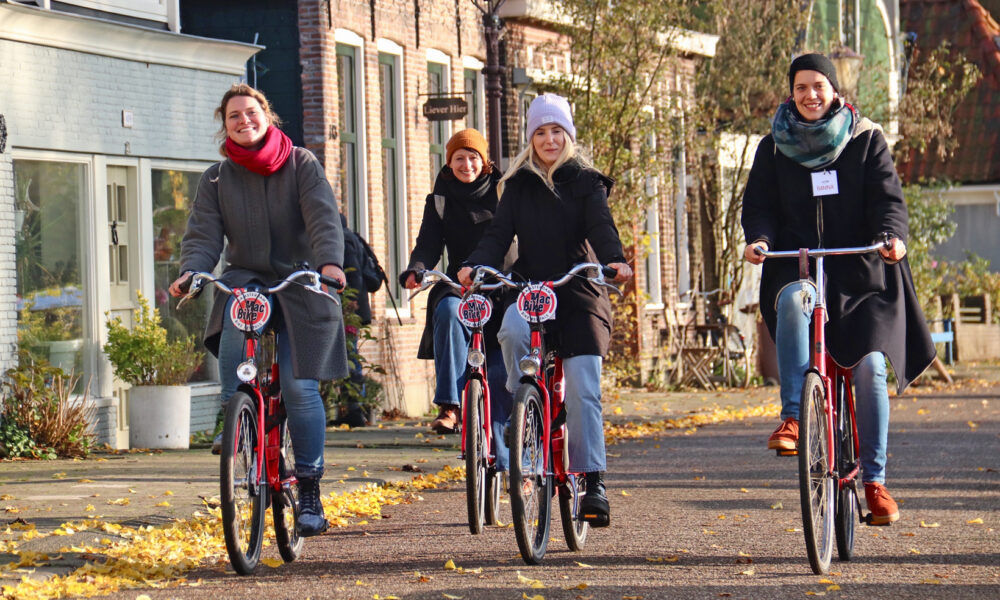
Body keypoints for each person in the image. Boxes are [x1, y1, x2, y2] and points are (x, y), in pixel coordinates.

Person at [741, 53, 935, 525]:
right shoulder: (772, 147)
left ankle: (874, 481)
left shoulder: (865, 139)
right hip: (799, 266)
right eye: (802, 87)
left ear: (834, 91)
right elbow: (759, 204)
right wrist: (760, 239)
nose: (810, 95)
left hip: (859, 275)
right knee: (791, 300)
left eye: (819, 86)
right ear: (792, 93)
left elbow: (888, 199)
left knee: (869, 369)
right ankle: (792, 414)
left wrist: (892, 238)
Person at [168, 83, 349, 537]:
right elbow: (203, 234)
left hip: (301, 280)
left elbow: (323, 217)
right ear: (224, 124)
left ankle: (308, 487)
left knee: (298, 386)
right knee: (234, 313)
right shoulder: (215, 178)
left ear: (267, 116)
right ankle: (236, 412)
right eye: (234, 116)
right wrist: (192, 271)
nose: (243, 121)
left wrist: (329, 264)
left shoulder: (301, 163)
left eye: (251, 113)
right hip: (249, 277)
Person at [457, 94, 632, 526]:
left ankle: (593, 482)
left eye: (557, 131)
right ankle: (527, 411)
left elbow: (601, 228)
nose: (549, 140)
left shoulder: (587, 182)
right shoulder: (517, 186)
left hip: (580, 293)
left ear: (568, 136)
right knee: (512, 331)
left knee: (582, 388)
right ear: (530, 139)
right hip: (534, 289)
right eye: (541, 132)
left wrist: (615, 260)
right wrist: (476, 265)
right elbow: (498, 235)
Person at [398, 129, 512, 469]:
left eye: (473, 157)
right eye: (458, 158)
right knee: (446, 310)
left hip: (501, 283)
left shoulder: (504, 190)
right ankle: (450, 403)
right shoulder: (440, 198)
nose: (467, 164)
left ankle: (509, 464)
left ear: (485, 160)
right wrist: (416, 268)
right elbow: (428, 242)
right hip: (459, 282)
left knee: (497, 373)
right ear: (449, 163)